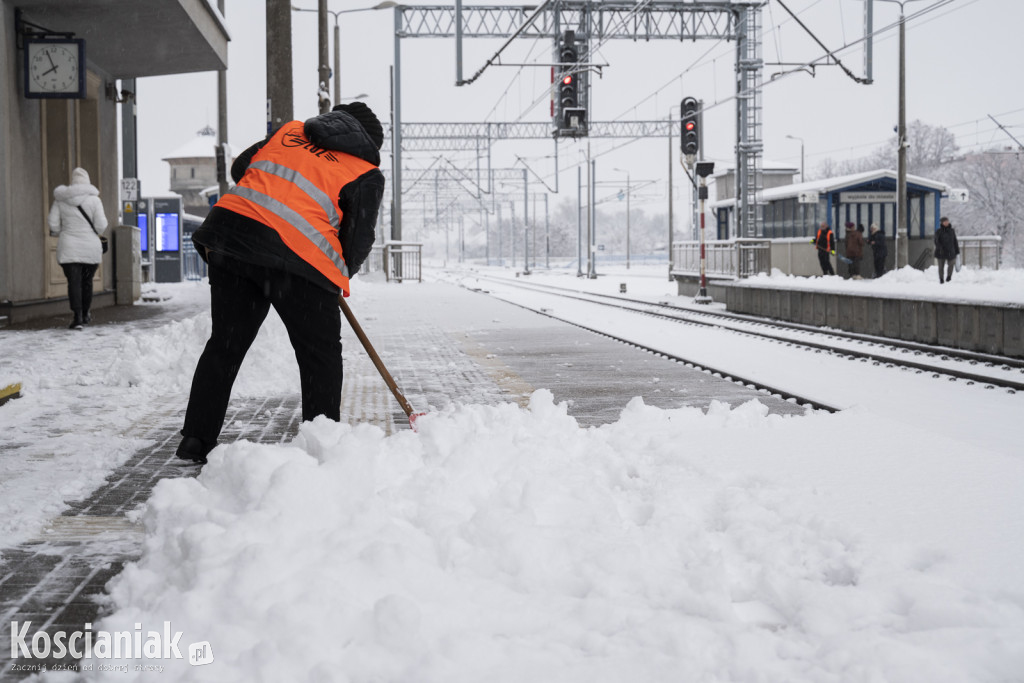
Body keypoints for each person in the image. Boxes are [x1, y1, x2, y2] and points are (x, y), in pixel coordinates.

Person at [176, 102, 386, 463]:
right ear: (368, 142)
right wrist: (337, 273)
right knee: (319, 354)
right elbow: (358, 237)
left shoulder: (290, 132)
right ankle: (322, 445)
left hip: (231, 240)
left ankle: (196, 438)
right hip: (298, 261)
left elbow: (242, 167)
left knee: (225, 345)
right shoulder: (365, 170)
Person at [48, 167, 109, 330]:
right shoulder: (95, 200)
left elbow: (53, 224)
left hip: (69, 247)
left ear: (72, 182)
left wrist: (63, 231)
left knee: (74, 282)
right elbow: (101, 225)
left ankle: (77, 316)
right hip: (90, 247)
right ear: (87, 181)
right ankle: (86, 312)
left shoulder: (61, 200)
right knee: (87, 282)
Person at [933, 216, 960, 284]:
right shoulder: (938, 231)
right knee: (941, 266)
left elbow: (955, 241)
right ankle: (941, 279)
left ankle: (949, 277)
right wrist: (940, 247)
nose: (947, 222)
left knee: (951, 264)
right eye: (945, 221)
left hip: (951, 251)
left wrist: (957, 251)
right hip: (941, 251)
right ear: (942, 223)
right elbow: (936, 241)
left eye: (947, 221)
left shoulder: (951, 231)